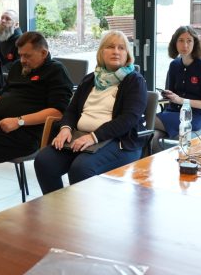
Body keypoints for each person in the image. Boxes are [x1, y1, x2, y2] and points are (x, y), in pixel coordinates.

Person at [34, 31, 146, 194]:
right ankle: (56, 208)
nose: (116, 51)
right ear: (101, 52)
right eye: (110, 47)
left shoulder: (134, 81)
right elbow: (72, 110)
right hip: (80, 136)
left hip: (118, 141)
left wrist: (94, 136)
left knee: (81, 168)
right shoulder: (90, 79)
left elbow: (129, 119)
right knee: (44, 161)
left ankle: (85, 216)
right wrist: (66, 128)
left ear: (127, 54)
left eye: (121, 48)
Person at [0, 31, 73, 195]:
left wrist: (19, 121)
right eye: (20, 55)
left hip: (25, 132)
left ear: (43, 53)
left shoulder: (56, 71)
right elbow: (6, 93)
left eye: (27, 56)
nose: (22, 60)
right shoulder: (18, 67)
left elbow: (58, 112)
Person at [152, 26, 201, 153]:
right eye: (180, 40)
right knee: (151, 138)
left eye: (189, 41)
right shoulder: (174, 65)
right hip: (171, 113)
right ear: (175, 43)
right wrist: (166, 95)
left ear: (194, 43)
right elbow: (170, 95)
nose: (185, 45)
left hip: (192, 117)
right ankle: (160, 167)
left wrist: (181, 100)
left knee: (145, 121)